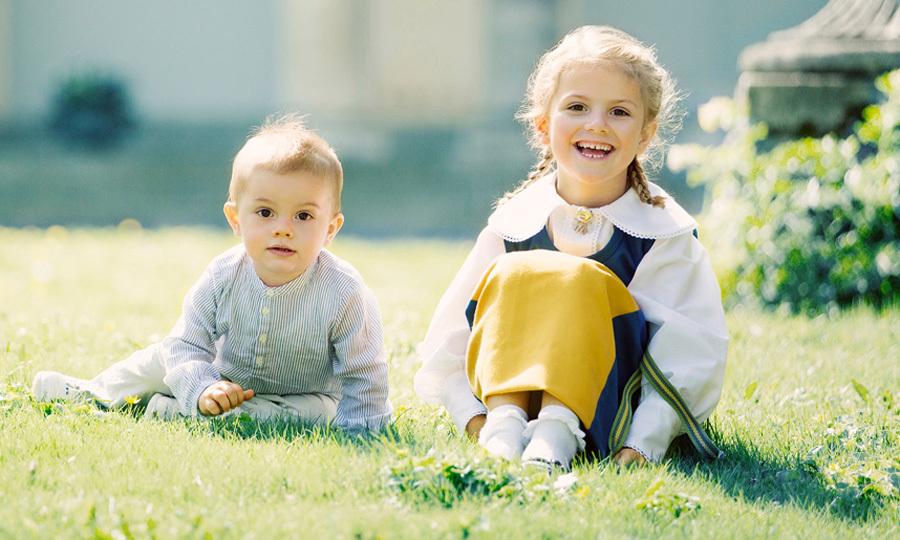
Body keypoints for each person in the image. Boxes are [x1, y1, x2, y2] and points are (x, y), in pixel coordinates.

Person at [414, 26, 728, 470]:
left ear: (645, 135)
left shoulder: (662, 234)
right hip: (507, 408)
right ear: (544, 126)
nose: (596, 124)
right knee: (514, 273)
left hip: (606, 409)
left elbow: (690, 352)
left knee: (577, 277)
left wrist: (642, 443)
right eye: (577, 107)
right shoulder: (514, 224)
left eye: (619, 112)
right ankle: (507, 426)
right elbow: (452, 338)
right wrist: (477, 418)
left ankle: (558, 431)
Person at [32, 115, 392, 433]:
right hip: (221, 376)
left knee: (315, 414)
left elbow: (364, 372)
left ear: (331, 228)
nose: (283, 228)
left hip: (302, 393)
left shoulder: (343, 291)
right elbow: (187, 343)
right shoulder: (224, 274)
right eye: (265, 213)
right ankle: (95, 391)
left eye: (303, 216)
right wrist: (203, 386)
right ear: (236, 219)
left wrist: (362, 429)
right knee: (156, 360)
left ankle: (173, 412)